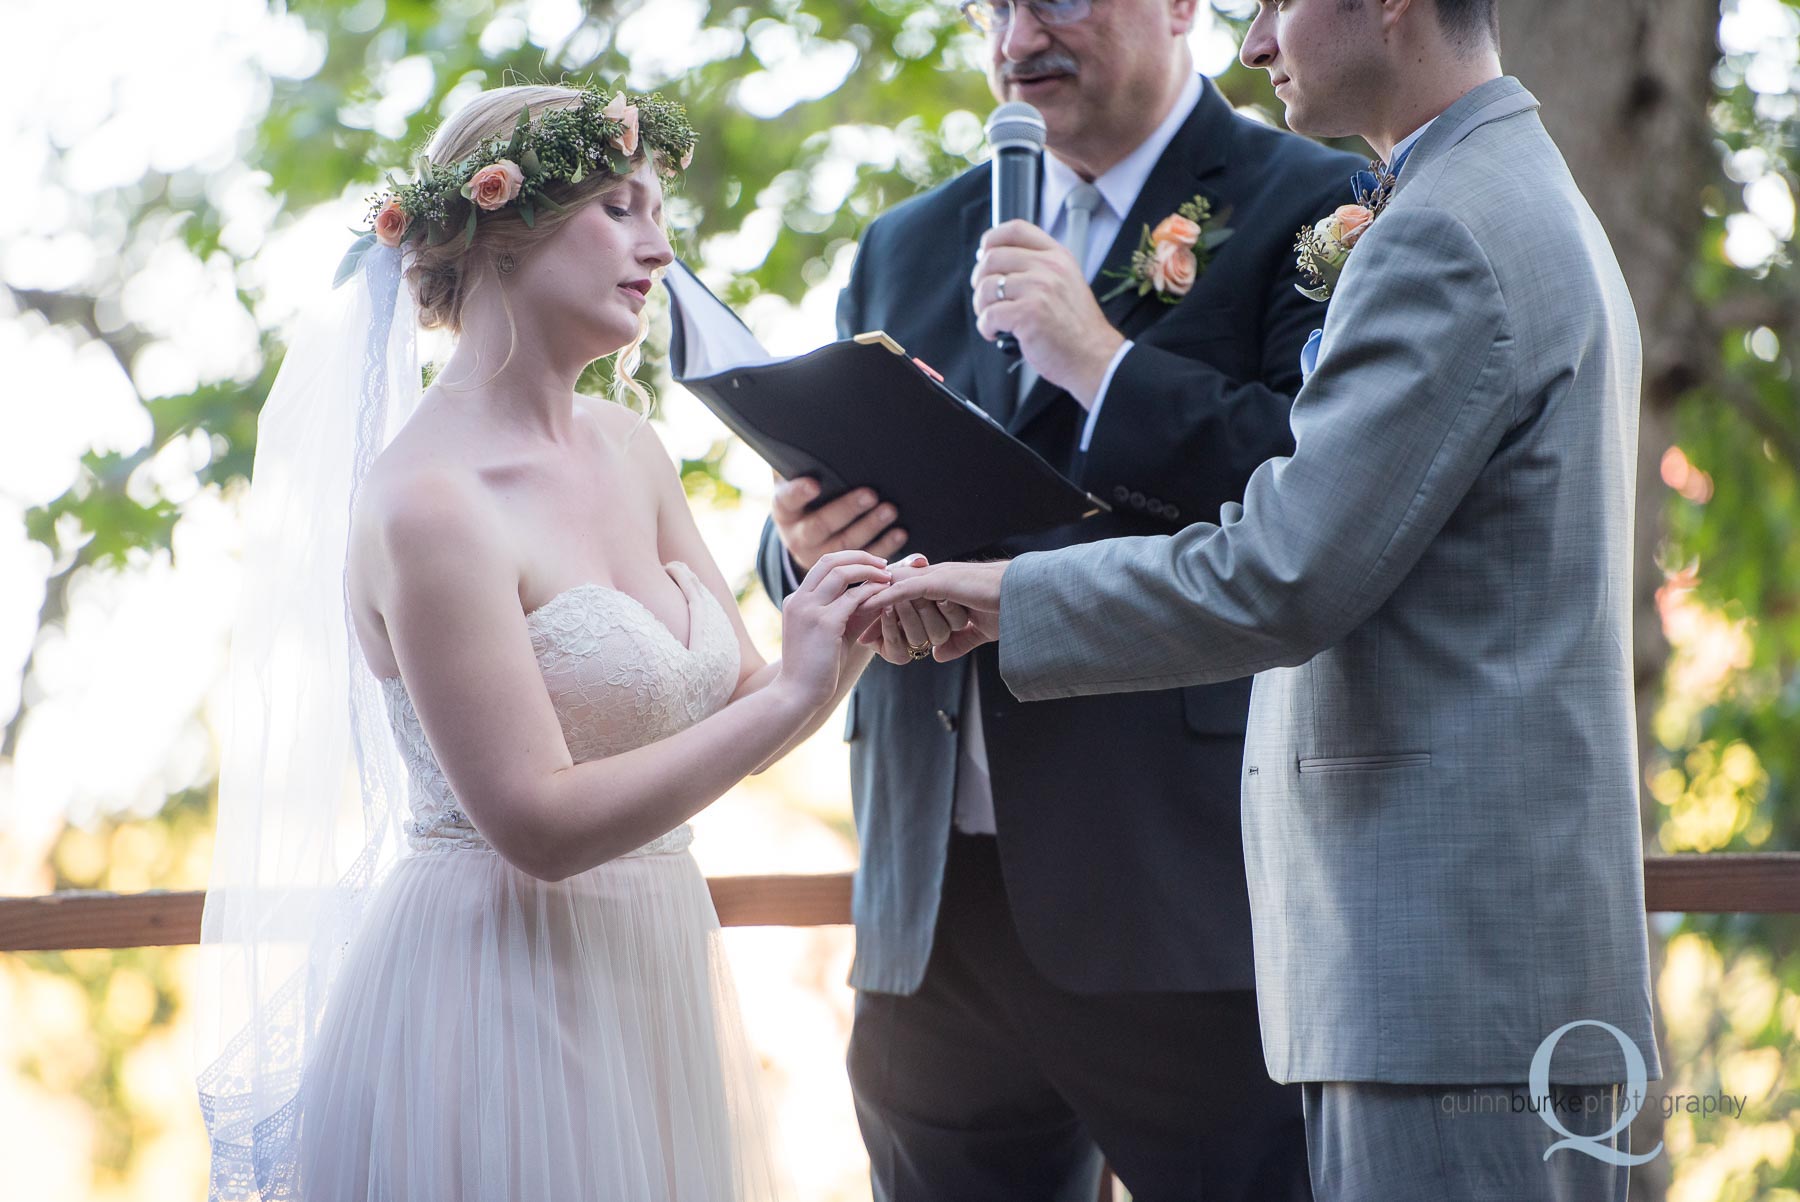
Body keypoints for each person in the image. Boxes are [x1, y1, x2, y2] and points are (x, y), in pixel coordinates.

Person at [862, 0, 1663, 1198]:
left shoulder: (1443, 229)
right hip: (1446, 947)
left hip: (1438, 959)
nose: (1256, 41)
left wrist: (1010, 599)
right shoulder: (1498, 190)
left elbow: (1282, 570)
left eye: (1277, 0)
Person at [196, 83, 895, 1202]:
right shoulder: (429, 500)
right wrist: (790, 690)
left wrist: (851, 614)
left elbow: (744, 707)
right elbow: (537, 823)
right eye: (621, 208)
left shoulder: (633, 447)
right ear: (501, 226)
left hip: (654, 975)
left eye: (659, 211)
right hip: (492, 993)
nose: (659, 247)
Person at [756, 0, 1361, 1196]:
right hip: (929, 918)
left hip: (1182, 889)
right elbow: (818, 487)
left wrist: (1104, 364)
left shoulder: (1315, 200)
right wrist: (799, 540)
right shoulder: (908, 244)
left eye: (1060, 0)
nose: (1020, 32)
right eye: (995, 5)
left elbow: (1329, 490)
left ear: (1185, 5)